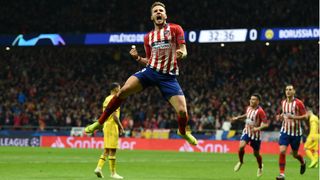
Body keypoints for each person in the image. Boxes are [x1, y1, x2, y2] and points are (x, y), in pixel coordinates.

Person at [85, 2, 197, 145]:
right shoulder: (148, 37)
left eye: (161, 11)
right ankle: (100, 122)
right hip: (150, 72)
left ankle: (182, 131)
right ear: (152, 17)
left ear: (165, 15)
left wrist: (182, 54)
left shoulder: (176, 29)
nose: (158, 12)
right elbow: (150, 60)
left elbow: (184, 49)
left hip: (168, 77)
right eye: (155, 11)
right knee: (123, 90)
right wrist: (137, 58)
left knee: (182, 112)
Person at [231, 93, 269, 177]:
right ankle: (241, 162)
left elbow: (266, 124)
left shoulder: (260, 111)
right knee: (241, 147)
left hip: (255, 135)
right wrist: (237, 118)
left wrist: (257, 129)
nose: (251, 101)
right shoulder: (248, 108)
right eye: (251, 99)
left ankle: (260, 167)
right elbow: (247, 115)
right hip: (247, 132)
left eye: (254, 99)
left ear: (258, 101)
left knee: (256, 154)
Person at [275, 85, 308, 180]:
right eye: (286, 90)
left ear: (294, 91)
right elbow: (284, 113)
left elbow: (305, 116)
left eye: (290, 90)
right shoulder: (283, 102)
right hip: (285, 131)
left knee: (295, 154)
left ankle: (302, 162)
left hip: (296, 133)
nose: (288, 91)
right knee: (282, 151)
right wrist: (280, 117)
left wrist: (294, 117)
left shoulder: (299, 103)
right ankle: (282, 174)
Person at [94, 82, 124, 179]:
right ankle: (113, 173)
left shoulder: (106, 99)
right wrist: (120, 126)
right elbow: (115, 116)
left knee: (107, 149)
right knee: (113, 150)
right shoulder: (115, 99)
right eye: (119, 87)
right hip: (112, 125)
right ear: (115, 89)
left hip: (106, 125)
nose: (120, 89)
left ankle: (98, 168)